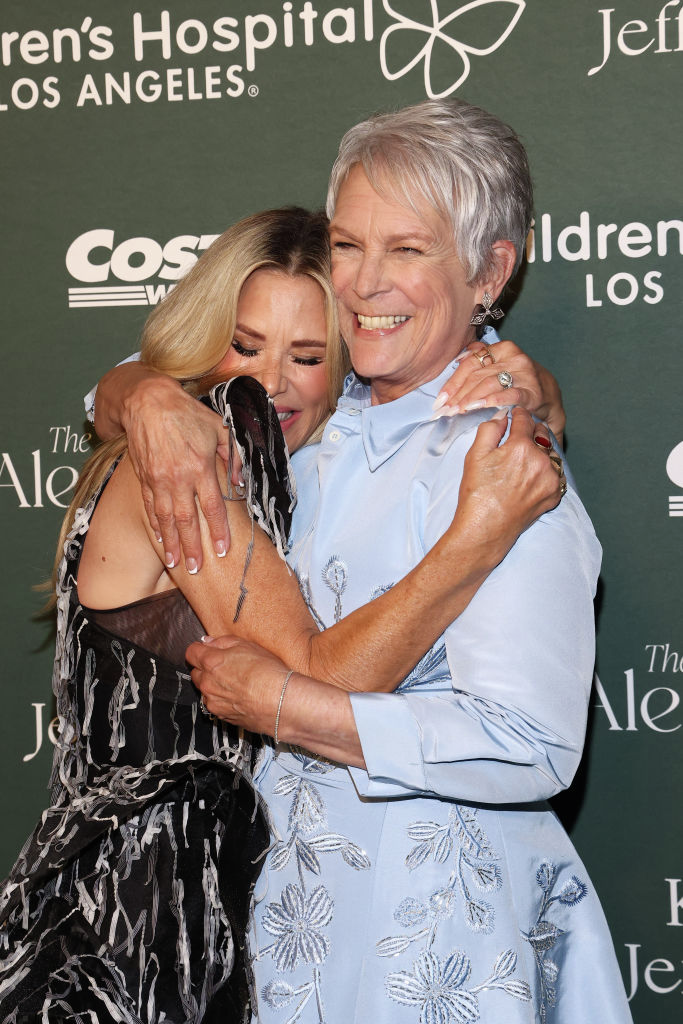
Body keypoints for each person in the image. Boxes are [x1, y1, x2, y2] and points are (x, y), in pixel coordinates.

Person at [0, 207, 564, 1023]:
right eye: (244, 346)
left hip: (198, 916)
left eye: (308, 356)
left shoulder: (285, 474)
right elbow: (327, 674)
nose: (269, 382)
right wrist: (480, 532)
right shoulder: (188, 468)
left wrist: (539, 395)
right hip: (116, 926)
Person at [183, 101, 633, 1022]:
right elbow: (148, 376)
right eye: (347, 245)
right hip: (277, 923)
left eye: (408, 250)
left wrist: (290, 707)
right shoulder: (308, 416)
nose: (362, 283)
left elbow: (531, 742)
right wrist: (142, 404)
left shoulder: (503, 460)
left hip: (431, 940)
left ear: (489, 271)